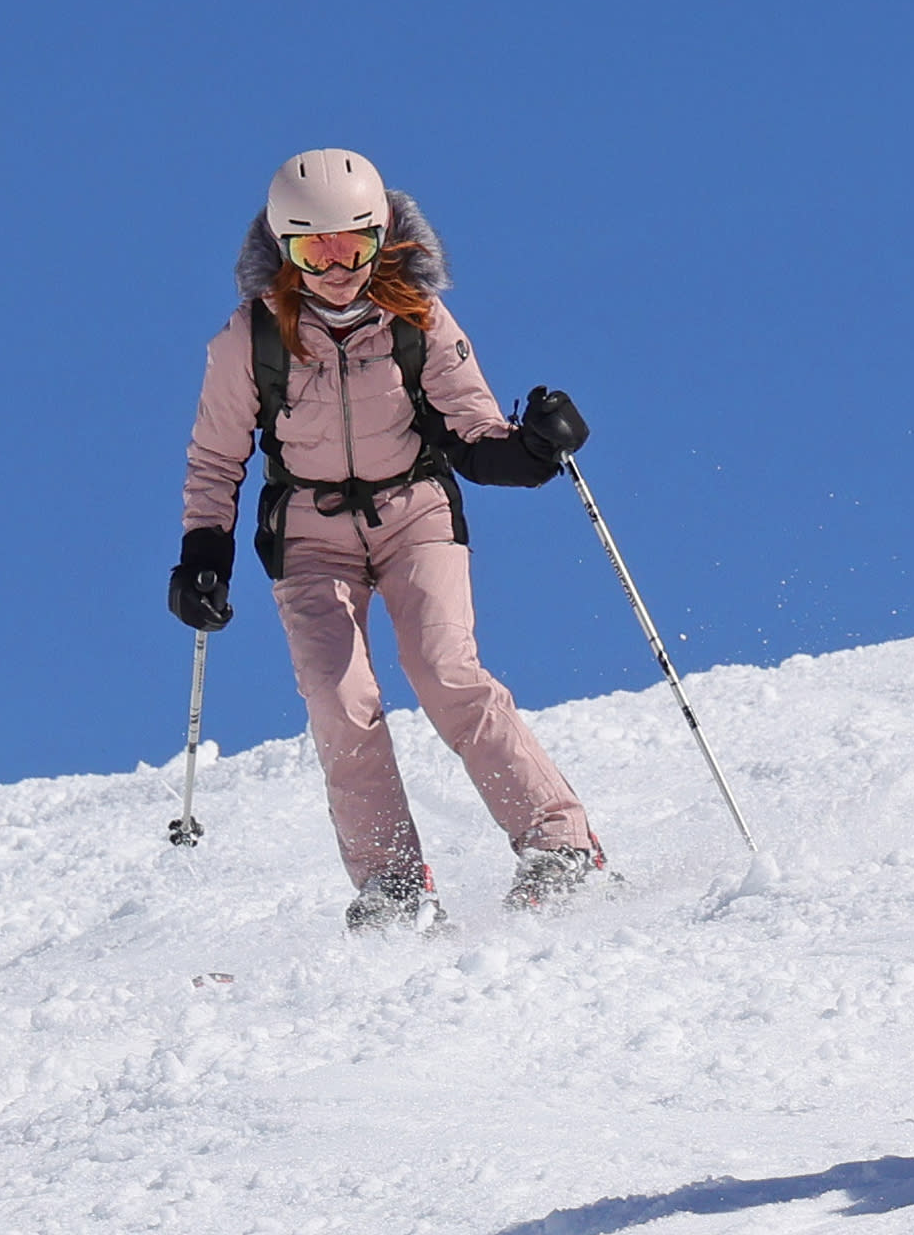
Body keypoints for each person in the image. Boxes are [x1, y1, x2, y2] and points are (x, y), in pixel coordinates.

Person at [175, 149, 606, 926]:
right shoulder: (250, 339)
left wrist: (535, 448)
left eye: (352, 245)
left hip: (415, 515)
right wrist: (204, 555)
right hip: (310, 534)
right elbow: (216, 459)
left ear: (381, 237)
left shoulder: (417, 317)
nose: (337, 268)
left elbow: (473, 433)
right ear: (284, 251)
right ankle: (394, 885)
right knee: (342, 703)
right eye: (314, 250)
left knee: (445, 670)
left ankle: (559, 841)